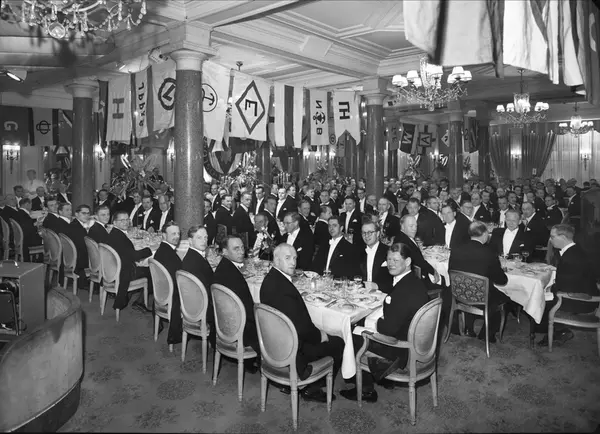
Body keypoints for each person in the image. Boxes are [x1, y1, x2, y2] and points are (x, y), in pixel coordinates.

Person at [341, 243, 429, 403]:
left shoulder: (403, 290)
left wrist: (370, 322)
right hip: (417, 342)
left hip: (400, 349)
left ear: (408, 261)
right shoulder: (413, 282)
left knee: (350, 331)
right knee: (364, 322)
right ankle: (382, 379)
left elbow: (388, 329)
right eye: (388, 259)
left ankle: (366, 389)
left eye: (395, 260)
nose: (390, 264)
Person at [260, 244, 345, 402]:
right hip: (294, 351)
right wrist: (321, 335)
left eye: (294, 258)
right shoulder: (283, 289)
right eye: (287, 258)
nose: (293, 262)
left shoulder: (271, 279)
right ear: (276, 260)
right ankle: (311, 387)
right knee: (339, 342)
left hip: (275, 343)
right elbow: (301, 329)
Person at [537, 224, 600, 346]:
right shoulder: (575, 250)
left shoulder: (572, 257)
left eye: (552, 237)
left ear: (563, 238)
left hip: (582, 301)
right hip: (582, 291)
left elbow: (566, 286)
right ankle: (558, 330)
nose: (550, 239)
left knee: (540, 297)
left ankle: (559, 332)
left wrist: (549, 288)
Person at [448, 221, 509, 342]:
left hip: (459, 294)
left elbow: (450, 271)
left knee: (471, 286)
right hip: (481, 298)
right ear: (485, 234)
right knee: (505, 300)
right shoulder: (489, 253)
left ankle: (468, 328)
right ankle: (487, 335)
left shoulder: (455, 249)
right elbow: (501, 280)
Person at [213, 235, 260, 360]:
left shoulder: (224, 267)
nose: (241, 252)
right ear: (225, 251)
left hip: (224, 326)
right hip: (241, 330)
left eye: (242, 248)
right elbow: (248, 310)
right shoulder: (232, 275)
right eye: (236, 249)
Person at [107, 211, 152, 311]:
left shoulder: (114, 233)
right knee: (153, 271)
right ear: (114, 222)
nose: (126, 222)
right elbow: (135, 256)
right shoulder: (119, 237)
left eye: (127, 219)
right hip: (123, 272)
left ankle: (129, 295)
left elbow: (127, 253)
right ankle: (139, 302)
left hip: (115, 269)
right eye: (122, 220)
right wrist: (149, 249)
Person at [181, 225, 216, 348]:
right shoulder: (194, 261)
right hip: (202, 309)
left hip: (192, 306)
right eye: (199, 238)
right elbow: (208, 290)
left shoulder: (192, 256)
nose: (204, 241)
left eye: (206, 237)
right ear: (190, 241)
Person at [153, 222, 184, 344]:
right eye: (173, 234)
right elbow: (177, 279)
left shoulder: (162, 249)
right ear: (164, 235)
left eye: (178, 234)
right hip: (170, 295)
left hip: (161, 292)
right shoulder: (169, 254)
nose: (177, 236)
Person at [359, 220, 392, 293]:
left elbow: (394, 280)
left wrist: (377, 286)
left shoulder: (388, 252)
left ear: (377, 233)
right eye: (364, 233)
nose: (366, 236)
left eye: (370, 232)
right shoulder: (358, 252)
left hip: (382, 293)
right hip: (362, 293)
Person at [68, 204, 92, 289]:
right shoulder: (76, 227)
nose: (86, 216)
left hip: (71, 257)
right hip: (79, 259)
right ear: (76, 214)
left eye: (88, 213)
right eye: (83, 213)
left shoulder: (74, 224)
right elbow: (84, 246)